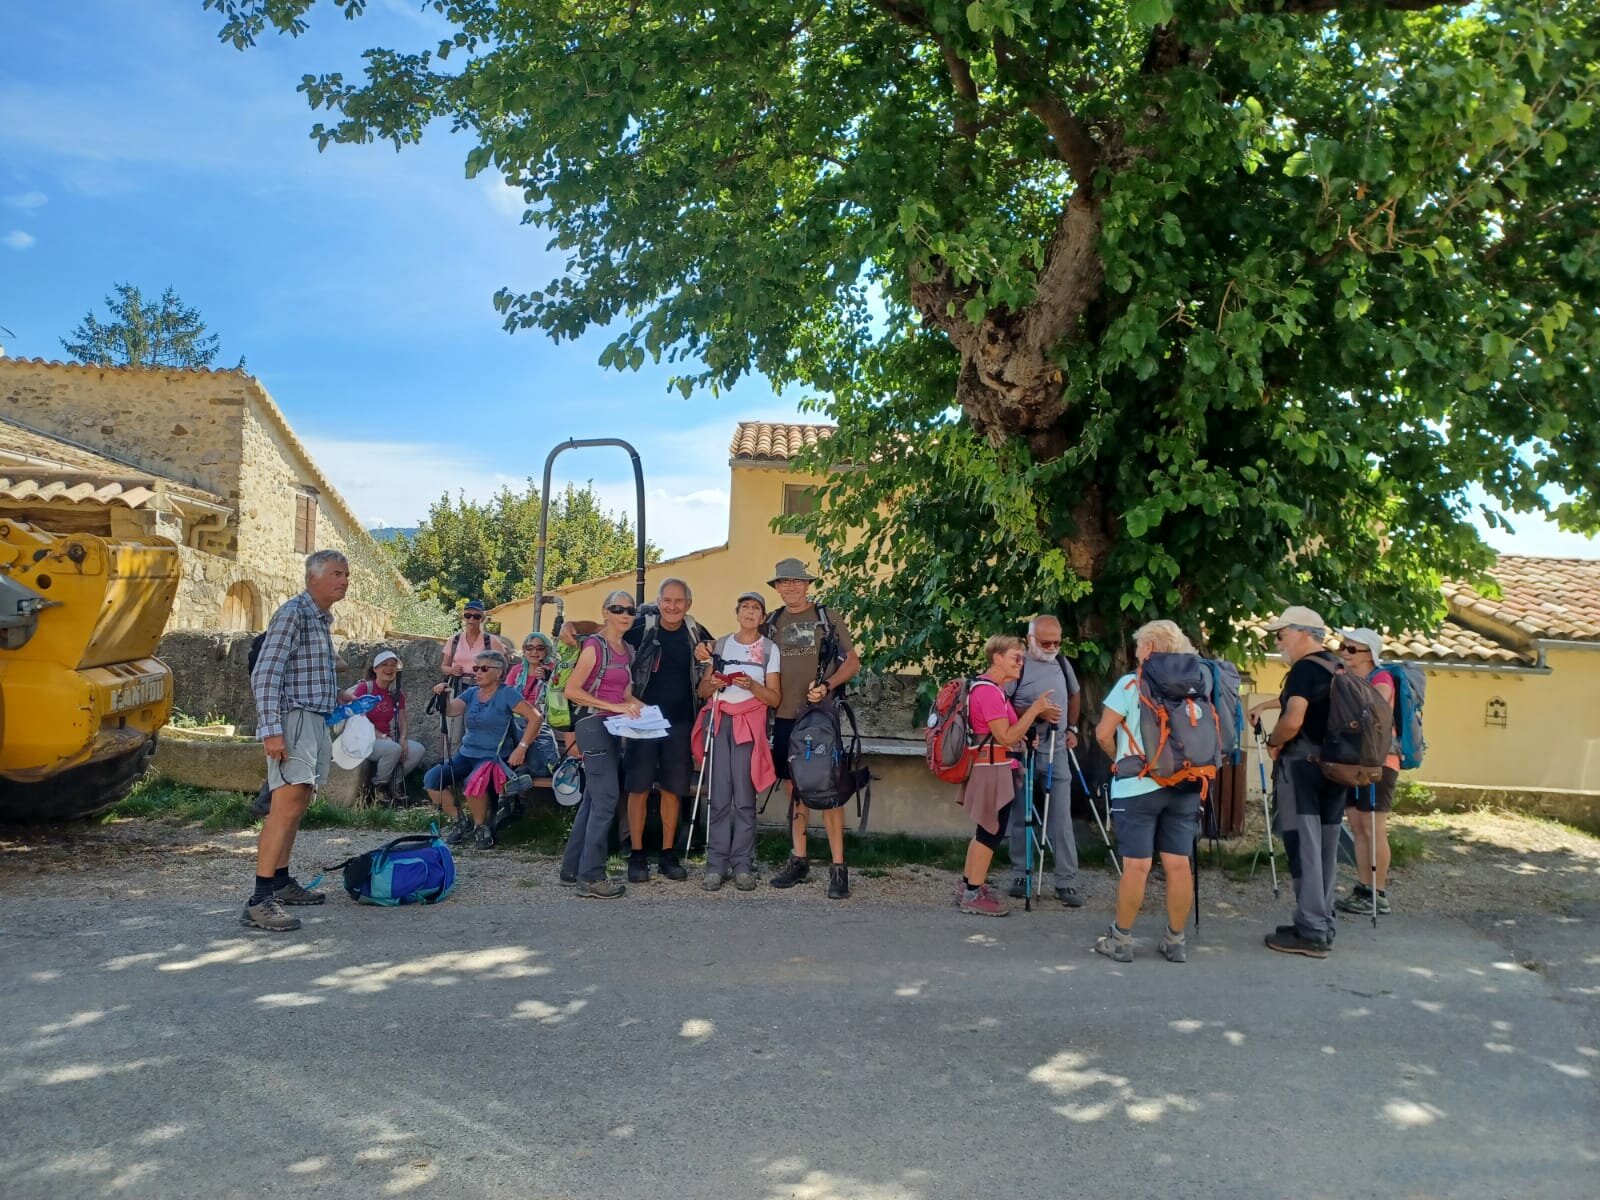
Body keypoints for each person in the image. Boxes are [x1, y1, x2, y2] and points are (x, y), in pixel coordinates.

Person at [243, 549, 348, 932]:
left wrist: (340, 696)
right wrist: (271, 729)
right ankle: (259, 900)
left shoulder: (320, 619)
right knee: (285, 805)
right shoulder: (294, 613)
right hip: (293, 720)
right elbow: (266, 673)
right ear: (312, 577)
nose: (344, 580)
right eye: (336, 573)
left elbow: (304, 671)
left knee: (298, 801)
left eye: (346, 574)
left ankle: (282, 882)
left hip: (313, 719)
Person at [1092, 620, 1205, 963]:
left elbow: (1102, 734)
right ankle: (1175, 940)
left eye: (1140, 645)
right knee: (1178, 865)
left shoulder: (1131, 683)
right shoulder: (1196, 685)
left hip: (1137, 786)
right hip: (1185, 784)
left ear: (1151, 648)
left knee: (1137, 866)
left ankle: (1122, 939)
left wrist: (1122, 760)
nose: (1136, 651)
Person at [1249, 605, 1348, 958]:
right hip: (1338, 769)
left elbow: (1293, 720)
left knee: (1303, 847)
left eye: (1281, 634)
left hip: (1304, 769)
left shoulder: (1305, 668)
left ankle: (1311, 931)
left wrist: (1275, 743)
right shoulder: (1338, 666)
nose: (1278, 641)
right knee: (1325, 848)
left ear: (1304, 633)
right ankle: (1321, 921)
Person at [764, 558, 862, 899]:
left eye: (796, 581)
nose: (790, 587)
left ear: (807, 585)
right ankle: (799, 859)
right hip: (785, 716)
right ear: (776, 588)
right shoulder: (771, 622)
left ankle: (838, 868)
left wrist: (828, 685)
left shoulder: (827, 618)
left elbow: (852, 661)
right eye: (783, 582)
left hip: (820, 716)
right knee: (796, 790)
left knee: (829, 789)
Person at [954, 635, 1060, 916]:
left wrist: (1025, 741)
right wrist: (1035, 710)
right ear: (997, 657)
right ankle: (972, 894)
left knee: (986, 830)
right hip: (993, 770)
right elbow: (1004, 736)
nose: (1020, 662)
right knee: (990, 831)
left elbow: (1009, 734)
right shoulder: (989, 692)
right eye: (1015, 656)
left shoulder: (992, 689)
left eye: (1022, 658)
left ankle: (968, 885)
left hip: (996, 766)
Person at [620, 579, 714, 883]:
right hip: (643, 720)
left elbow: (724, 652)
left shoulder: (695, 632)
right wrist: (571, 628)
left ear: (688, 603)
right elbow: (605, 631)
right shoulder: (641, 627)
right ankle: (636, 854)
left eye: (679, 601)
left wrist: (710, 654)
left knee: (674, 790)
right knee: (638, 789)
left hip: (681, 722)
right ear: (659, 602)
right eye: (667, 600)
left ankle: (668, 854)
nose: (672, 606)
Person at [693, 591, 781, 891]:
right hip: (720, 722)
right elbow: (703, 691)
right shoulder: (721, 644)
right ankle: (715, 866)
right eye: (745, 607)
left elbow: (774, 697)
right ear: (737, 612)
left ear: (763, 617)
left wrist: (753, 685)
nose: (750, 612)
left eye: (756, 608)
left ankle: (743, 865)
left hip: (750, 726)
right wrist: (714, 682)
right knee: (718, 796)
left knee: (744, 798)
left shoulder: (770, 649)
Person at [559, 590, 644, 898]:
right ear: (605, 612)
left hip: (613, 725)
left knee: (594, 799)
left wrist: (643, 710)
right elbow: (572, 691)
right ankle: (591, 876)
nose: (624, 614)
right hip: (593, 724)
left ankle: (572, 869)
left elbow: (624, 695)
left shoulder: (628, 651)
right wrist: (616, 708)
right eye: (617, 608)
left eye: (629, 610)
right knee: (607, 798)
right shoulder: (595, 646)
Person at [423, 650, 541, 850]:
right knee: (432, 779)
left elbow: (536, 717)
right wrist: (444, 696)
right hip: (467, 753)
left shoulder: (507, 693)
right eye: (475, 668)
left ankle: (481, 827)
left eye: (483, 668)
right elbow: (451, 711)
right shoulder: (471, 693)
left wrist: (521, 747)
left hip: (494, 757)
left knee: (473, 782)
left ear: (499, 672)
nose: (477, 672)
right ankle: (460, 820)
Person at [1005, 614, 1086, 907]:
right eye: (1046, 642)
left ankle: (1066, 882)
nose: (1052, 647)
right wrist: (1037, 714)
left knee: (1061, 818)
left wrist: (1073, 728)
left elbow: (1075, 696)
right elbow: (1005, 705)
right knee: (1020, 814)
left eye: (1057, 642)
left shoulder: (1063, 664)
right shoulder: (1019, 665)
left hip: (1058, 749)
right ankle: (1020, 874)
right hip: (1025, 748)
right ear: (1030, 639)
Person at [1334, 627, 1398, 917]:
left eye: (1350, 649)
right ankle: (1363, 888)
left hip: (1379, 763)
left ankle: (1379, 892)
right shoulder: (1348, 678)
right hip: (1353, 762)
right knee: (1358, 828)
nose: (1343, 653)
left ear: (1369, 655)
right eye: (1342, 647)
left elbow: (1374, 710)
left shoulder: (1381, 679)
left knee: (1374, 828)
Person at [344, 649, 424, 803]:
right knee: (392, 749)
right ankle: (379, 787)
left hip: (388, 739)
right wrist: (382, 736)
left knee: (417, 750)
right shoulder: (365, 689)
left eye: (393, 665)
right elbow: (360, 720)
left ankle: (394, 784)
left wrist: (403, 738)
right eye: (385, 665)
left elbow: (402, 719)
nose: (389, 669)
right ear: (375, 669)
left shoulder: (396, 693)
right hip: (363, 740)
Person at [438, 600, 509, 746]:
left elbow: (503, 666)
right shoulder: (454, 640)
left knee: (477, 729)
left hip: (482, 689)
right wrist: (452, 670)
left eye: (476, 616)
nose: (471, 619)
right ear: (463, 617)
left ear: (482, 618)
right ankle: (451, 766)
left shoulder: (491, 641)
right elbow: (443, 666)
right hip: (458, 686)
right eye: (468, 615)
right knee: (453, 732)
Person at [507, 631, 563, 778]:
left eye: (540, 648)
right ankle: (521, 771)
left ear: (547, 650)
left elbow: (562, 696)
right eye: (529, 648)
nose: (534, 652)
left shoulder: (555, 669)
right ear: (524, 651)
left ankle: (521, 771)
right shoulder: (517, 670)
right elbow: (506, 696)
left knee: (531, 727)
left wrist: (549, 679)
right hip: (518, 718)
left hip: (545, 718)